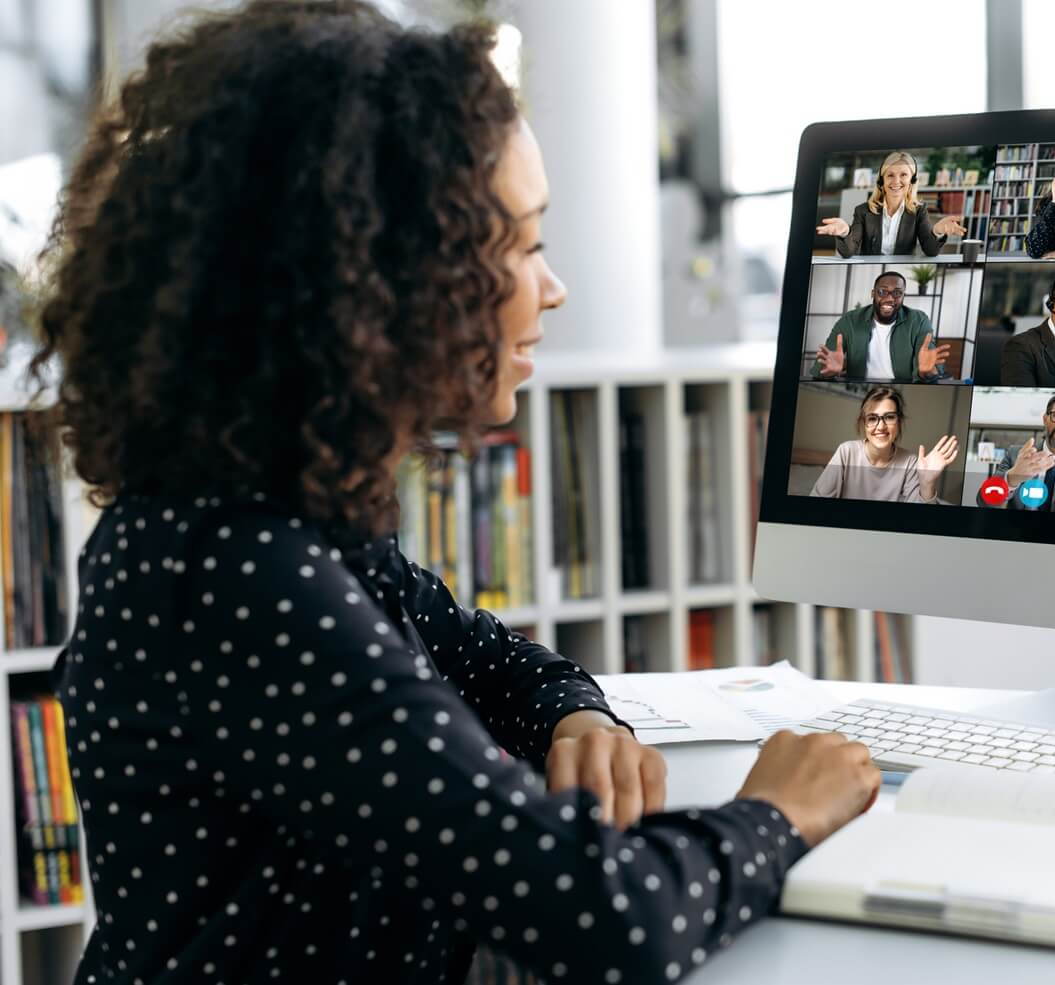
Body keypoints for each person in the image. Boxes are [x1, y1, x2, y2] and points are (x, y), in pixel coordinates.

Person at [29, 4, 882, 984]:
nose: (551, 288)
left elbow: (487, 657)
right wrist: (779, 809)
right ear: (374, 282)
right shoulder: (240, 578)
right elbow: (604, 919)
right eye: (517, 246)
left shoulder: (276, 525)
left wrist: (578, 718)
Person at [809, 386, 959, 503]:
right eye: (873, 418)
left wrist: (927, 483)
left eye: (889, 417)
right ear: (863, 423)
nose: (881, 427)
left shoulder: (910, 462)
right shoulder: (846, 452)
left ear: (899, 422)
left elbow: (920, 521)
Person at [815, 150, 965, 257]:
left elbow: (930, 251)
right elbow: (848, 251)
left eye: (903, 175)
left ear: (912, 181)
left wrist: (937, 231)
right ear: (882, 181)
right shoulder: (863, 211)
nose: (896, 181)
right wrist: (845, 232)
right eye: (890, 175)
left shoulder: (919, 211)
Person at [811, 271, 952, 382]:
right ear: (873, 293)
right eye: (882, 291)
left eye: (897, 293)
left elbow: (932, 370)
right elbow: (819, 370)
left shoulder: (919, 321)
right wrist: (829, 371)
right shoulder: (850, 320)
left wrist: (926, 373)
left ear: (903, 296)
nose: (890, 298)